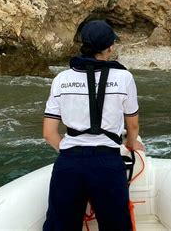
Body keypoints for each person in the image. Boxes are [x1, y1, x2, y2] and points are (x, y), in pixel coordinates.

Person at [42, 20, 144, 231]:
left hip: (69, 164)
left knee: (60, 226)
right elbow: (132, 127)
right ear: (110, 47)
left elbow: (49, 133)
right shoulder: (124, 78)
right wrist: (132, 145)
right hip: (107, 163)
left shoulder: (61, 79)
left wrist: (72, 154)